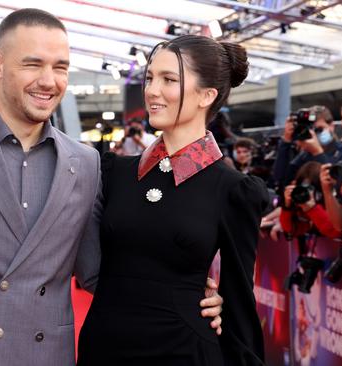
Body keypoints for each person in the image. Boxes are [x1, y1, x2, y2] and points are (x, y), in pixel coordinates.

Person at [0, 9, 223, 366]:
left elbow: (98, 272)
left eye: (60, 67)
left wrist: (191, 295)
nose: (48, 80)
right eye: (32, 64)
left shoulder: (85, 163)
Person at [77, 35, 268, 365]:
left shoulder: (233, 190)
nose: (152, 90)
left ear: (206, 96)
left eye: (169, 80)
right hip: (104, 346)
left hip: (183, 351)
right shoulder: (113, 172)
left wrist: (220, 301)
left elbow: (239, 305)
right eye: (150, 78)